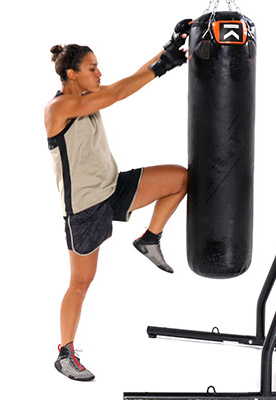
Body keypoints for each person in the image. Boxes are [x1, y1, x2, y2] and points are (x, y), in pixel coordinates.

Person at [44, 19, 192, 381]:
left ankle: (150, 238)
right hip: (85, 208)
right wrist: (164, 65)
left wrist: (168, 48)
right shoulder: (59, 109)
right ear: (72, 74)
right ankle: (65, 354)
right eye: (92, 68)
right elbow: (119, 93)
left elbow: (126, 82)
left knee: (180, 178)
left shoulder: (88, 98)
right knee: (81, 283)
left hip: (113, 187)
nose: (99, 73)